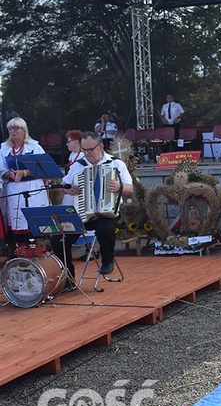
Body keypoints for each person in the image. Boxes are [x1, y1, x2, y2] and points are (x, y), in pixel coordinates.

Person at [52, 132, 133, 285]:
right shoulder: (78, 165)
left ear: (101, 146)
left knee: (104, 229)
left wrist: (119, 186)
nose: (87, 154)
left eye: (90, 149)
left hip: (108, 213)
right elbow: (64, 186)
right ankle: (68, 278)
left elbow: (130, 189)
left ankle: (108, 260)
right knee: (59, 238)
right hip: (83, 213)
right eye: (84, 150)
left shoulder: (116, 164)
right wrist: (68, 189)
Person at [0, 117, 50, 249]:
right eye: (10, 129)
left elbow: (44, 168)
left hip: (33, 187)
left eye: (16, 128)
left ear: (24, 130)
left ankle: (40, 251)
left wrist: (24, 172)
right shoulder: (4, 148)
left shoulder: (34, 146)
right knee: (18, 220)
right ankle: (22, 253)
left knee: (35, 218)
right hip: (14, 188)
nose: (13, 131)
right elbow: (2, 169)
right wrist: (8, 174)